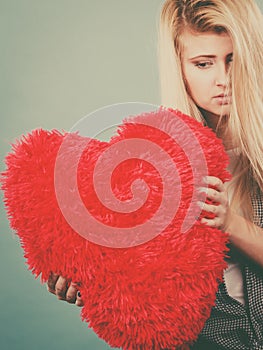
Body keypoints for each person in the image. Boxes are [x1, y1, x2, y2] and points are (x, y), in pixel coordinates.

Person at [48, 0, 263, 348]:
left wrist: (230, 223)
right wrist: (88, 275)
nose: (223, 79)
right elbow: (142, 281)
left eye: (233, 59)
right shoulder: (153, 166)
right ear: (179, 67)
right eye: (203, 63)